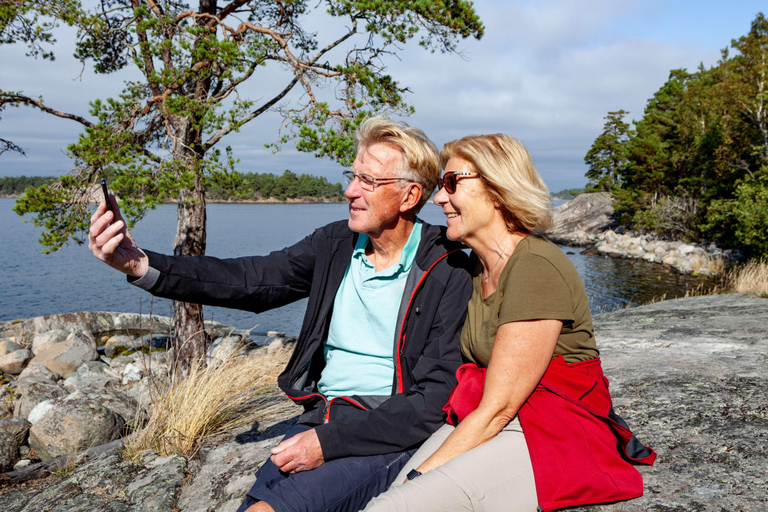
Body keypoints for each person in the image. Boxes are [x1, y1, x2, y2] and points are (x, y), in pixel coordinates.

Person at [88, 117, 472, 512]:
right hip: (322, 415)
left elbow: (433, 399)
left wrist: (328, 444)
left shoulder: (447, 267)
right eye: (352, 176)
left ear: (410, 196)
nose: (349, 190)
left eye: (368, 181)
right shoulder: (337, 243)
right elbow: (249, 280)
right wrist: (138, 263)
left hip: (386, 432)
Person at [363, 134, 656, 512]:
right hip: (493, 414)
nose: (438, 198)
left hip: (550, 428)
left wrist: (420, 475)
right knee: (391, 496)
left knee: (395, 505)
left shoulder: (535, 266)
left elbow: (499, 407)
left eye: (452, 183)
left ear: (498, 189)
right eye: (439, 186)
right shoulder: (472, 267)